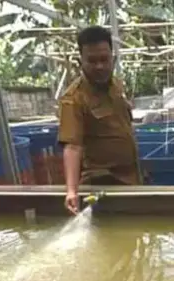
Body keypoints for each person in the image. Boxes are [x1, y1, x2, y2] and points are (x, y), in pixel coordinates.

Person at [57, 25, 142, 214]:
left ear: (113, 58)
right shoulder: (74, 99)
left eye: (104, 59)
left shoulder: (116, 85)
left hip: (130, 178)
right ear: (81, 62)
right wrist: (71, 191)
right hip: (102, 184)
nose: (99, 66)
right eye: (92, 61)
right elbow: (72, 146)